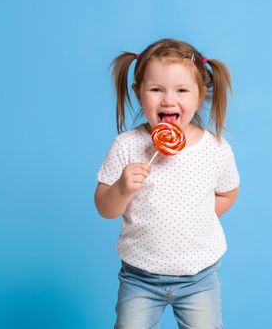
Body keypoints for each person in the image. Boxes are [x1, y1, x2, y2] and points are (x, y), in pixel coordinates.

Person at [95, 38, 240, 329]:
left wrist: (199, 216)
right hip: (140, 277)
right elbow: (104, 208)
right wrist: (121, 189)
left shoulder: (215, 149)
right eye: (156, 89)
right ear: (138, 93)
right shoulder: (127, 146)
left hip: (199, 277)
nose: (168, 100)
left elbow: (229, 191)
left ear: (200, 96)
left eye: (181, 90)